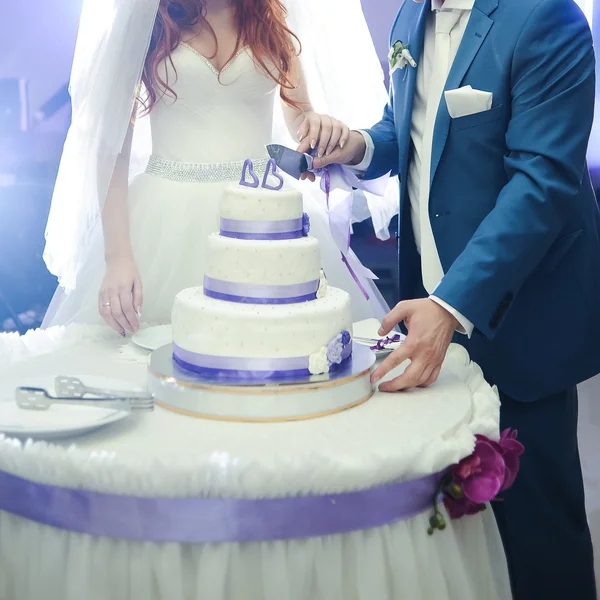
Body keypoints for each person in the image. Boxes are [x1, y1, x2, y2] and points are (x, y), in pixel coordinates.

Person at [313, 0, 599, 598]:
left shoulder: (548, 18)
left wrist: (451, 306)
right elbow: (413, 129)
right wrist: (360, 145)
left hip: (519, 318)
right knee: (456, 531)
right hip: (427, 316)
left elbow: (542, 182)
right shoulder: (408, 18)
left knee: (538, 536)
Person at [42, 0, 397, 332]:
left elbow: (299, 116)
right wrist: (117, 257)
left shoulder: (270, 22)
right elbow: (112, 151)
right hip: (164, 218)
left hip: (262, 211)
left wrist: (318, 124)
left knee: (278, 347)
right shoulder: (149, 23)